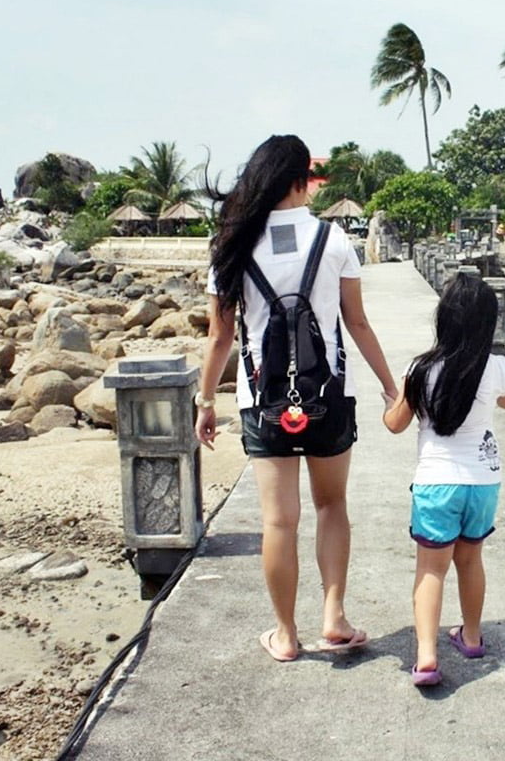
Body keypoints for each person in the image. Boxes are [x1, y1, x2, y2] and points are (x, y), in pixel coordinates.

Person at [195, 135, 398, 662]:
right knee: (331, 504)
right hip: (329, 396)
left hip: (262, 400)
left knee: (278, 521)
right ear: (297, 181)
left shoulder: (232, 245)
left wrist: (203, 403)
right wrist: (390, 385)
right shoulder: (333, 240)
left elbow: (220, 337)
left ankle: (285, 635)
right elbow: (356, 322)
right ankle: (333, 617)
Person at [383, 275, 505, 685]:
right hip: (482, 480)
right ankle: (472, 636)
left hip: (437, 482)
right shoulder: (495, 367)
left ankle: (426, 657)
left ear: (443, 318)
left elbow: (395, 424)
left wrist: (393, 399)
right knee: (471, 559)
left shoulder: (421, 368)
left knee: (431, 570)